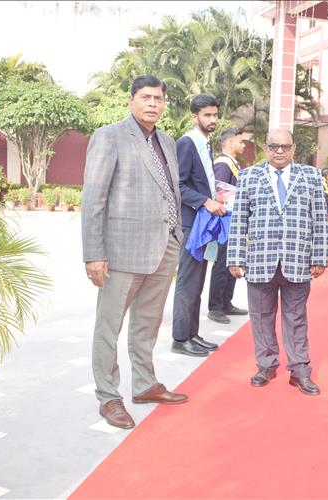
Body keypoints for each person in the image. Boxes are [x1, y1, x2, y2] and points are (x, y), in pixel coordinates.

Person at [81, 75, 188, 430]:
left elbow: (170, 191)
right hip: (122, 250)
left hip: (164, 247)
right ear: (131, 100)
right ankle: (108, 396)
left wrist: (177, 235)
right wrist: (93, 253)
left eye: (158, 98)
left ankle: (144, 384)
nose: (152, 104)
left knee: (148, 322)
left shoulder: (167, 142)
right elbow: (93, 199)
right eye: (145, 97)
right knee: (109, 326)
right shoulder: (109, 136)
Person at [227, 128, 328, 396]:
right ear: (266, 148)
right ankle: (266, 365)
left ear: (294, 148)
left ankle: (300, 370)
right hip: (260, 260)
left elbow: (320, 219)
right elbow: (238, 220)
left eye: (285, 146)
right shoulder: (248, 176)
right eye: (274, 146)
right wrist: (235, 257)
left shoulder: (311, 176)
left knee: (296, 318)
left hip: (298, 260)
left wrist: (320, 256)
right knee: (261, 317)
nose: (280, 151)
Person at [171, 94, 225, 357]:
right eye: (207, 115)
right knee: (188, 282)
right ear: (195, 117)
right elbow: (177, 185)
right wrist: (205, 201)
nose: (213, 119)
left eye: (215, 115)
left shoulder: (205, 144)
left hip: (204, 223)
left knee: (198, 281)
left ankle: (192, 334)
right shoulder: (187, 143)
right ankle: (180, 338)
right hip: (191, 223)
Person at [207, 127, 249, 324]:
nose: (243, 145)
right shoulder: (223, 165)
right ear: (231, 143)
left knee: (232, 261)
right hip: (225, 221)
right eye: (240, 142)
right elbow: (220, 193)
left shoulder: (232, 163)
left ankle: (226, 302)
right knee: (223, 264)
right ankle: (215, 307)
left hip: (234, 220)